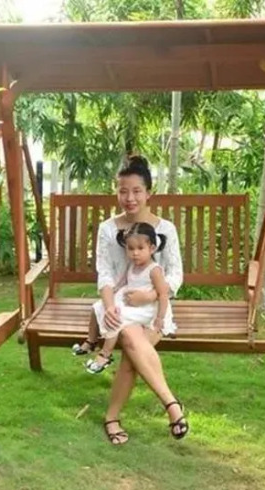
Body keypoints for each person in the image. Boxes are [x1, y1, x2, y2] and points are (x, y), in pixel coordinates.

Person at [72, 155, 188, 445]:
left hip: (154, 309)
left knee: (131, 350)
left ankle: (113, 417)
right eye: (123, 191)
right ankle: (172, 407)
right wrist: (110, 305)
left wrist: (151, 294)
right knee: (129, 340)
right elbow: (105, 273)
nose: (130, 198)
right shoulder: (108, 229)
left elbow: (175, 275)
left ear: (149, 193)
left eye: (137, 191)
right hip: (120, 306)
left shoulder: (165, 229)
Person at [85, 222, 176, 374]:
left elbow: (163, 294)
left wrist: (160, 318)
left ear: (152, 248)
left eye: (140, 248)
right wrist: (115, 289)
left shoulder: (154, 270)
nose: (135, 253)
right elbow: (124, 280)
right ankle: (91, 340)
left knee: (117, 317)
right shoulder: (133, 264)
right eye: (131, 248)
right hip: (128, 298)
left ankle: (105, 354)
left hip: (146, 307)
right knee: (98, 307)